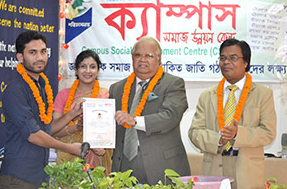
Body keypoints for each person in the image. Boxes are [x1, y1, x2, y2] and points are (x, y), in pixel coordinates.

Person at [188, 38, 277, 189]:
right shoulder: (207, 95)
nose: (226, 62)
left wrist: (237, 135)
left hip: (247, 172)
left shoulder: (263, 94)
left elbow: (268, 132)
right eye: (223, 58)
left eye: (233, 58)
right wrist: (218, 140)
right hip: (214, 170)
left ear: (246, 63)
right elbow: (194, 132)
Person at [0, 31, 82, 189]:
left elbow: (47, 128)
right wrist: (69, 148)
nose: (40, 57)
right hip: (19, 177)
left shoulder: (41, 85)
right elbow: (33, 134)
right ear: (20, 58)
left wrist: (73, 113)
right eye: (32, 52)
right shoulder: (16, 89)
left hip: (39, 175)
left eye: (43, 51)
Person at [109, 36, 190, 185]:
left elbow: (171, 116)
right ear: (132, 58)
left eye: (149, 56)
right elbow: (110, 123)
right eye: (138, 55)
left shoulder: (173, 84)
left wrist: (134, 121)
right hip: (124, 167)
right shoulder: (117, 88)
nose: (142, 59)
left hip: (163, 167)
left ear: (159, 60)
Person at [51, 49, 112, 174]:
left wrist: (102, 146)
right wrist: (76, 128)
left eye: (92, 67)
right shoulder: (63, 95)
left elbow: (109, 130)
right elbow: (53, 130)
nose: (88, 71)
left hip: (98, 157)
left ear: (98, 70)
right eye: (83, 66)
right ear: (76, 70)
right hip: (67, 157)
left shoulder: (105, 95)